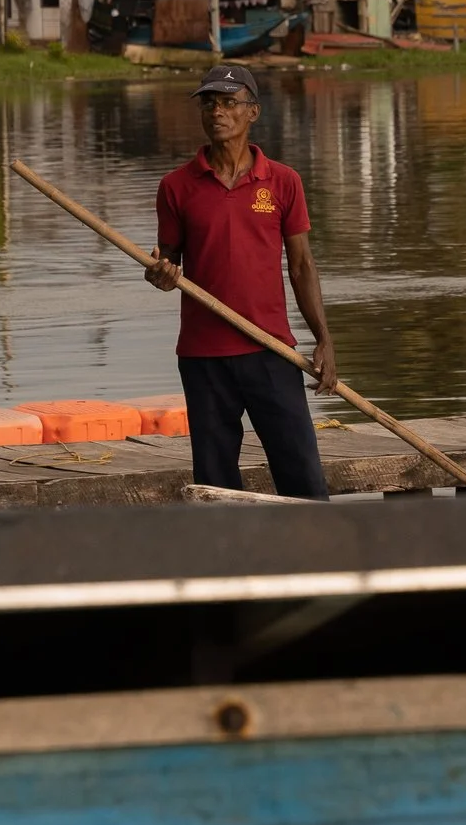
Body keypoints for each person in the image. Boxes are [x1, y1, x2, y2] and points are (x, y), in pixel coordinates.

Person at [144, 63, 337, 500]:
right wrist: (160, 273)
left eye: (229, 102)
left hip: (270, 350)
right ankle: (225, 563)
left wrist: (324, 339)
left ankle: (321, 560)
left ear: (253, 111)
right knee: (215, 486)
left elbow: (302, 265)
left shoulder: (283, 182)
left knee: (303, 477)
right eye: (209, 103)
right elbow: (166, 266)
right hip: (203, 358)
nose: (218, 112)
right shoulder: (176, 186)